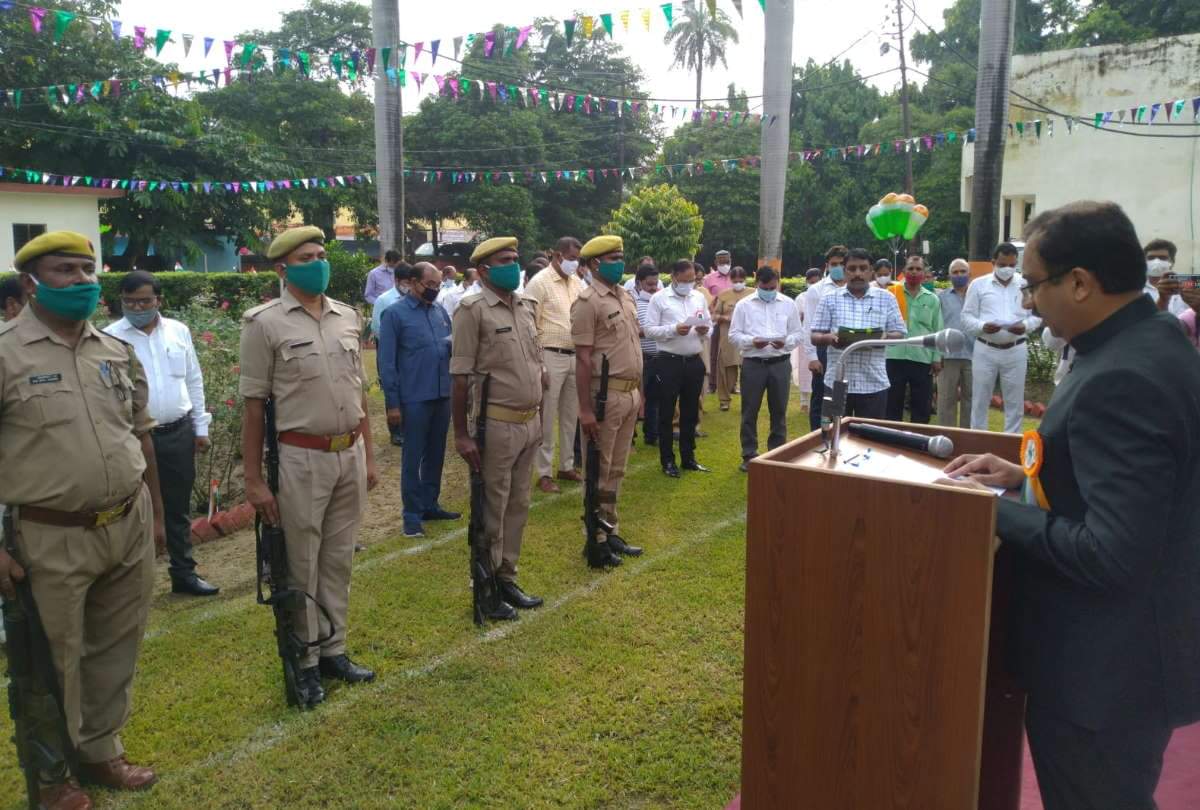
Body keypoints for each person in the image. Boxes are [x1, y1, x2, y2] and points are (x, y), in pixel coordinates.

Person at [942, 201, 1200, 810]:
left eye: (1034, 285)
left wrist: (991, 509)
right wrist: (1027, 475)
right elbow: (1135, 485)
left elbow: (1112, 554)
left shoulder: (1122, 376)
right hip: (1129, 654)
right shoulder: (1146, 338)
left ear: (1080, 282)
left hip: (1105, 670)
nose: (1029, 303)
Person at [0, 231, 167, 809]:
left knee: (117, 647)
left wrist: (157, 516)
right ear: (31, 283)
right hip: (51, 534)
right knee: (52, 661)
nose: (82, 281)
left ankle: (100, 750)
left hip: (127, 522)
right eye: (65, 270)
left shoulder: (113, 351)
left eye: (87, 270)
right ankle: (53, 778)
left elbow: (140, 436)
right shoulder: (5, 353)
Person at [240, 225, 380, 706]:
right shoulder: (264, 324)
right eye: (307, 258)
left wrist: (369, 455)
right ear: (283, 269)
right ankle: (304, 659)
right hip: (300, 457)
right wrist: (254, 480)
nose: (318, 263)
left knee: (338, 559)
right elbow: (253, 407)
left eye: (321, 254)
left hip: (348, 453)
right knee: (300, 563)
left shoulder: (347, 316)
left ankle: (333, 649)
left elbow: (359, 394)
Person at [104, 271, 217, 597]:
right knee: (131, 510)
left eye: (144, 301)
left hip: (177, 432)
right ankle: (132, 583)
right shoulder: (110, 339)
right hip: (132, 438)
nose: (137, 307)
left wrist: (200, 427)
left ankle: (183, 573)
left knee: (177, 507)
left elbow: (193, 379)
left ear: (159, 300)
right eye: (129, 302)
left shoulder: (178, 332)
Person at [450, 237, 545, 619]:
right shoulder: (471, 310)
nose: (513, 265)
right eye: (505, 260)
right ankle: (486, 585)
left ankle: (507, 576)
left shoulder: (525, 306)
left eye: (515, 259)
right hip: (497, 424)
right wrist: (461, 434)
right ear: (484, 270)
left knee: (518, 504)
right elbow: (460, 377)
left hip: (529, 421)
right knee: (493, 508)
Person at [571, 235, 644, 568]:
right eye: (614, 258)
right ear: (595, 264)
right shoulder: (588, 302)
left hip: (629, 393)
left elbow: (633, 348)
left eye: (621, 257)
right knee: (598, 470)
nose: (620, 263)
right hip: (605, 396)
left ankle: (610, 527)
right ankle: (596, 539)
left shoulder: (624, 296)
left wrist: (639, 393)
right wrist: (585, 409)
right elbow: (583, 359)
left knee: (617, 468)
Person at [378, 262, 459, 538]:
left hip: (441, 394)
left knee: (436, 454)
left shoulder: (439, 312)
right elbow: (387, 363)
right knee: (412, 458)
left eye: (438, 285)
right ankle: (411, 516)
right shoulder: (394, 314)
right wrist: (392, 404)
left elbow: (450, 348)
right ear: (413, 282)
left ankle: (430, 505)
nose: (434, 290)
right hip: (413, 398)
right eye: (430, 285)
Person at [809, 248, 906, 419]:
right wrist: (828, 338)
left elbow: (900, 333)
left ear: (871, 271)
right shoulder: (830, 298)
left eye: (863, 268)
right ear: (844, 271)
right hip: (837, 381)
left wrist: (882, 337)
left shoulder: (887, 298)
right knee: (834, 432)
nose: (857, 273)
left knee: (870, 433)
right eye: (852, 269)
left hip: (873, 382)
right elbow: (814, 336)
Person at [524, 237, 584, 495]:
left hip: (574, 355)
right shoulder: (539, 283)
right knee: (547, 416)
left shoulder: (577, 282)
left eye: (577, 259)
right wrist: (540, 365)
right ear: (557, 256)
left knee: (571, 415)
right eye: (572, 258)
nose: (575, 263)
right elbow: (529, 326)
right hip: (550, 355)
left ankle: (566, 465)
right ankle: (544, 472)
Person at [730, 267, 803, 471]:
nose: (769, 291)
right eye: (765, 287)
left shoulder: (788, 304)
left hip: (780, 363)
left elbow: (798, 333)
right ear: (757, 283)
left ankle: (776, 453)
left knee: (779, 410)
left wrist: (786, 342)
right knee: (749, 411)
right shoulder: (744, 305)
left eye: (773, 287)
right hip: (754, 364)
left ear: (778, 283)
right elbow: (733, 335)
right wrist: (752, 341)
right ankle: (749, 454)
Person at [961, 242, 1040, 433]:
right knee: (980, 400)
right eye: (1003, 264)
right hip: (985, 348)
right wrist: (982, 326)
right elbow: (966, 317)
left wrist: (1025, 326)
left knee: (1015, 402)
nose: (1007, 269)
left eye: (1012, 265)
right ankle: (978, 442)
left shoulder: (1024, 284)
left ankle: (1010, 443)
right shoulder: (978, 285)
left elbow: (1037, 315)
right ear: (993, 262)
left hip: (1016, 349)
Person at [644, 259, 712, 477]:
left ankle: (688, 457)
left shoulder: (698, 297)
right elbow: (649, 330)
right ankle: (667, 460)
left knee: (690, 412)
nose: (689, 284)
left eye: (692, 280)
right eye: (685, 280)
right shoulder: (659, 299)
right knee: (666, 412)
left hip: (693, 360)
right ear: (673, 277)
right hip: (668, 361)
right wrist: (674, 329)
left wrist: (704, 330)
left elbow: (709, 325)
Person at [885, 255, 943, 423]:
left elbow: (937, 329)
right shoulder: (892, 294)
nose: (914, 272)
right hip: (894, 356)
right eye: (910, 268)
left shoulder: (932, 299)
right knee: (891, 404)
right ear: (904, 271)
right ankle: (889, 436)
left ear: (924, 273)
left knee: (922, 406)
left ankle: (919, 437)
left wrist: (937, 358)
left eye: (918, 269)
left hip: (922, 358)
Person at [801, 246, 848, 431]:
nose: (838, 268)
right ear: (827, 266)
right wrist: (812, 357)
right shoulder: (816, 290)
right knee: (821, 398)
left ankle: (840, 435)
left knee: (843, 397)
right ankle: (817, 438)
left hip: (848, 349)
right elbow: (809, 325)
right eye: (834, 264)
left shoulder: (854, 287)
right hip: (823, 349)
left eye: (841, 264)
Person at [371, 263, 412, 447]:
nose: (408, 286)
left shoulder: (415, 298)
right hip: (389, 350)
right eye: (405, 282)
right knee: (392, 387)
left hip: (408, 353)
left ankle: (408, 426)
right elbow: (376, 328)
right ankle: (395, 431)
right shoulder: (384, 300)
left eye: (411, 282)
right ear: (396, 280)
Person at [936, 258, 974, 426]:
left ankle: (968, 437)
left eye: (962, 271)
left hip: (974, 356)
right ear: (949, 276)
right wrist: (937, 355)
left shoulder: (977, 296)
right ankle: (946, 435)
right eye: (955, 272)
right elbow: (936, 326)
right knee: (946, 400)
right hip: (948, 356)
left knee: (972, 400)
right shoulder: (941, 298)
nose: (959, 275)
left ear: (969, 274)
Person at [711, 266, 753, 411]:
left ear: (745, 279)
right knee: (725, 368)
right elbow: (714, 315)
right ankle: (724, 400)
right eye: (735, 281)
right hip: (728, 337)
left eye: (741, 280)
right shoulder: (724, 295)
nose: (738, 283)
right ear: (731, 280)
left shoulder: (753, 293)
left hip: (748, 337)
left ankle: (749, 402)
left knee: (749, 370)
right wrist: (725, 317)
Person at [633, 263, 662, 446]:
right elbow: (634, 331)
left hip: (658, 358)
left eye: (655, 284)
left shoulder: (659, 303)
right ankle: (630, 437)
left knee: (655, 398)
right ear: (639, 284)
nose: (653, 288)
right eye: (649, 284)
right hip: (641, 357)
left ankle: (652, 434)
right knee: (634, 399)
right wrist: (653, 330)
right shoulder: (634, 305)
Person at [703, 250, 734, 393]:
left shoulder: (735, 277)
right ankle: (712, 384)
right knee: (714, 352)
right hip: (715, 321)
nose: (725, 264)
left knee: (733, 354)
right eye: (721, 261)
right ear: (716, 262)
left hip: (732, 322)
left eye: (727, 261)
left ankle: (732, 384)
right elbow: (704, 299)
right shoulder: (709, 279)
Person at [1143, 238, 1188, 317]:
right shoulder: (1136, 290)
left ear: (1172, 262)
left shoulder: (1187, 284)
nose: (1156, 262)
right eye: (1151, 258)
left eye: (1162, 258)